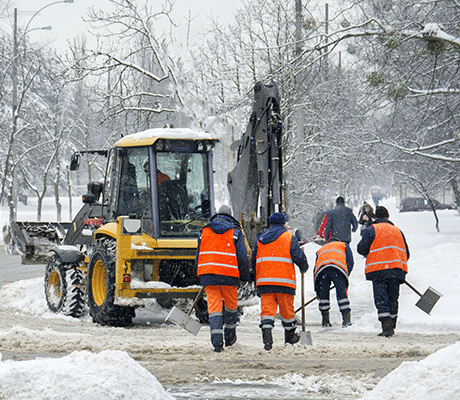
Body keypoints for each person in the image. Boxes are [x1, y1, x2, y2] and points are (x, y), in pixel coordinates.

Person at [196, 205, 250, 352]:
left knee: (214, 310)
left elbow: (198, 255)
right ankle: (230, 338)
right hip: (229, 277)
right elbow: (242, 258)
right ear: (230, 216)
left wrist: (201, 273)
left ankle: (217, 343)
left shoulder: (204, 231)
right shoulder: (235, 232)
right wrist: (245, 277)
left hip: (209, 276)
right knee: (231, 308)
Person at [252, 212, 309, 351]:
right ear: (284, 223)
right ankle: (289, 339)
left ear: (270, 223)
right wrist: (304, 266)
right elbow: (297, 256)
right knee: (287, 312)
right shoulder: (289, 237)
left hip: (265, 282)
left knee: (267, 311)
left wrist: (255, 277)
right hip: (284, 282)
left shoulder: (260, 238)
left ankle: (267, 339)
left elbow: (253, 260)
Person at [357, 206, 410, 337]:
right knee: (393, 298)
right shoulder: (398, 231)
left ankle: (386, 327)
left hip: (378, 270)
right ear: (388, 217)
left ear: (376, 217)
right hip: (396, 270)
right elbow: (406, 253)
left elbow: (361, 249)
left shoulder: (371, 230)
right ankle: (392, 324)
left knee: (381, 298)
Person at [314, 237, 354, 328]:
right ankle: (346, 320)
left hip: (322, 271)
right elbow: (350, 262)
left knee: (323, 295)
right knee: (341, 293)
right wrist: (345, 275)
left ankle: (325, 321)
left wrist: (317, 290)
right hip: (338, 269)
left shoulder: (321, 249)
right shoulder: (343, 245)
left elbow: (315, 270)